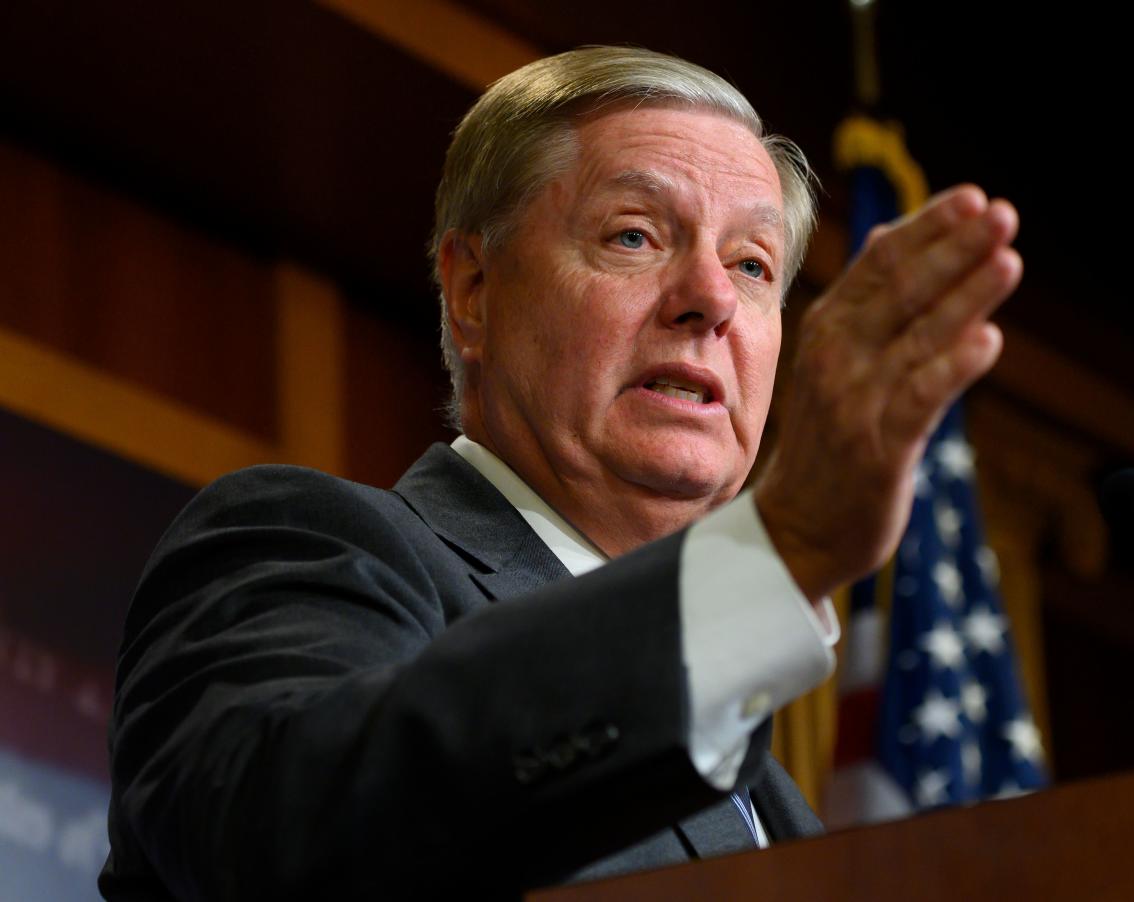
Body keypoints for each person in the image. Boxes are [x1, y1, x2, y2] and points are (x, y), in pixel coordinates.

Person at [100, 47, 1020, 900]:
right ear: (473, 293)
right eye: (634, 236)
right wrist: (778, 554)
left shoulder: (770, 795)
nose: (709, 299)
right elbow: (277, 841)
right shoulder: (308, 542)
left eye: (751, 264)